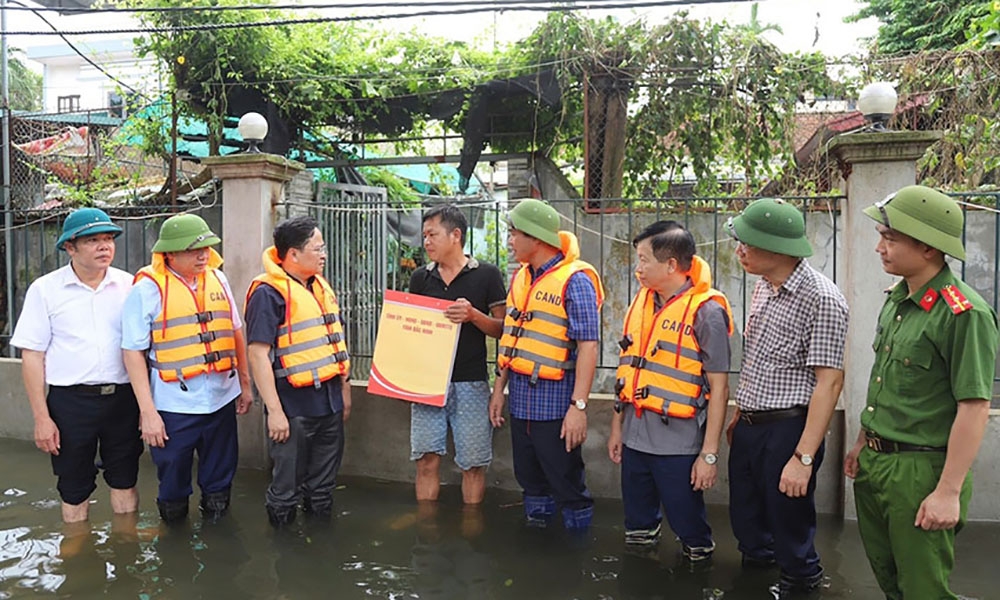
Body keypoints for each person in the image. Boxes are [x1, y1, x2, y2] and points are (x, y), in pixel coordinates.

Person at [844, 185, 998, 600]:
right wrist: (862, 441)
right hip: (878, 463)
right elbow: (885, 380)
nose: (879, 247)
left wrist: (948, 491)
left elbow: (974, 406)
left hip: (919, 471)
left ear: (928, 247)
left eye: (890, 239)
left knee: (923, 588)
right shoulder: (898, 301)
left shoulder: (964, 314)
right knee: (891, 579)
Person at [724, 198, 848, 598]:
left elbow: (829, 383)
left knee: (789, 526)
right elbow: (758, 357)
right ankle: (757, 577)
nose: (739, 250)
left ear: (777, 248)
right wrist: (740, 412)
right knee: (746, 518)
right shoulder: (763, 286)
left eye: (746, 243)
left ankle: (800, 583)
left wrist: (803, 458)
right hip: (750, 424)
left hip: (789, 430)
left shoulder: (822, 299)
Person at [607, 220, 732, 562]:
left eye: (644, 260)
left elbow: (719, 390)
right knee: (637, 530)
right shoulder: (641, 304)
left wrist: (708, 456)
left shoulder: (707, 313)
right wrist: (617, 428)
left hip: (678, 444)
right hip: (634, 437)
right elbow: (627, 370)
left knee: (690, 530)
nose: (638, 268)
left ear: (672, 265)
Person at [11, 207, 141, 523]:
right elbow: (32, 356)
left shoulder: (130, 285)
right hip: (70, 402)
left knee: (125, 476)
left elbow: (142, 349)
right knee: (73, 483)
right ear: (70, 246)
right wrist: (41, 417)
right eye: (93, 240)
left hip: (123, 397)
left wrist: (147, 407)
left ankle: (126, 546)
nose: (104, 247)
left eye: (109, 239)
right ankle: (76, 550)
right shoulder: (45, 290)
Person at [122, 213, 252, 523]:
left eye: (206, 247)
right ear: (169, 252)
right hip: (173, 405)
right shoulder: (146, 290)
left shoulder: (218, 278)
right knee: (173, 481)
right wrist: (148, 413)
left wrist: (245, 385)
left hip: (221, 397)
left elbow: (235, 330)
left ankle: (219, 537)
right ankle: (174, 546)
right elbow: (132, 353)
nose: (203, 255)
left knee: (220, 477)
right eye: (193, 249)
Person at [488, 199, 604, 531]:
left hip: (556, 404)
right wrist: (499, 391)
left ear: (535, 237)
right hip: (521, 400)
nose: (509, 241)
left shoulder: (575, 280)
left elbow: (589, 345)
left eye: (513, 234)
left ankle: (576, 553)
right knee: (530, 481)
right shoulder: (521, 279)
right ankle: (538, 548)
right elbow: (511, 337)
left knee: (566, 483)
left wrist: (578, 407)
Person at [245, 216, 352, 527]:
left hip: (329, 402)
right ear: (292, 254)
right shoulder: (268, 293)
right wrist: (275, 412)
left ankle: (318, 553)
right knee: (285, 490)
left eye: (323, 248)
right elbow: (258, 354)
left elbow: (336, 343)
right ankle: (284, 554)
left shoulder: (319, 287)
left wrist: (344, 391)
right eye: (317, 248)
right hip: (293, 408)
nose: (323, 254)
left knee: (322, 490)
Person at [408, 205, 507, 504]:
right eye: (424, 235)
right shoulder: (420, 279)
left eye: (432, 234)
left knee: (474, 465)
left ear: (456, 235)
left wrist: (473, 315)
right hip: (426, 384)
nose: (426, 242)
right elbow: (409, 332)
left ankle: (472, 533)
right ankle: (425, 535)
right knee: (425, 460)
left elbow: (504, 329)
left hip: (471, 382)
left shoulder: (488, 275)